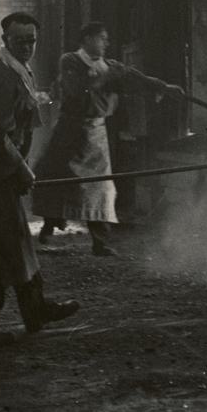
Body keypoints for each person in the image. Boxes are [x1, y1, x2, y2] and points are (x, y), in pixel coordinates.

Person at [0, 11, 80, 347]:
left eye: (31, 40)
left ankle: (35, 309)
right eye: (20, 40)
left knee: (16, 238)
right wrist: (22, 170)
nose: (27, 46)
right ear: (5, 39)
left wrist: (19, 166)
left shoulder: (18, 71)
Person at [32, 21, 185, 256]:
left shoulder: (109, 66)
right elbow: (76, 90)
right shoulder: (71, 61)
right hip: (69, 130)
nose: (106, 43)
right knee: (58, 179)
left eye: (106, 38)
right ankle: (50, 223)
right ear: (86, 40)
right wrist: (105, 77)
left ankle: (100, 242)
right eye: (101, 38)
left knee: (101, 187)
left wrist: (164, 87)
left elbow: (135, 78)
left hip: (95, 133)